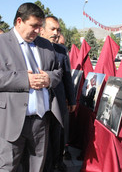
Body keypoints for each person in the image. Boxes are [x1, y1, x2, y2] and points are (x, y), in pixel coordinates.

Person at [0, 3, 62, 172]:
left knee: (36, 167)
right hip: (8, 120)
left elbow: (58, 71)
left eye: (40, 26)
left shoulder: (45, 45)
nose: (38, 30)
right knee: (6, 168)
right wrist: (25, 80)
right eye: (34, 26)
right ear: (19, 21)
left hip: (40, 121)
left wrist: (49, 78)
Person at [40, 15, 76, 171]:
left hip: (59, 99)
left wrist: (72, 99)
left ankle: (58, 162)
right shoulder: (33, 47)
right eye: (52, 29)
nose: (56, 32)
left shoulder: (61, 50)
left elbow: (67, 76)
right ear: (41, 30)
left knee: (58, 133)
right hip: (40, 100)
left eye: (58, 30)